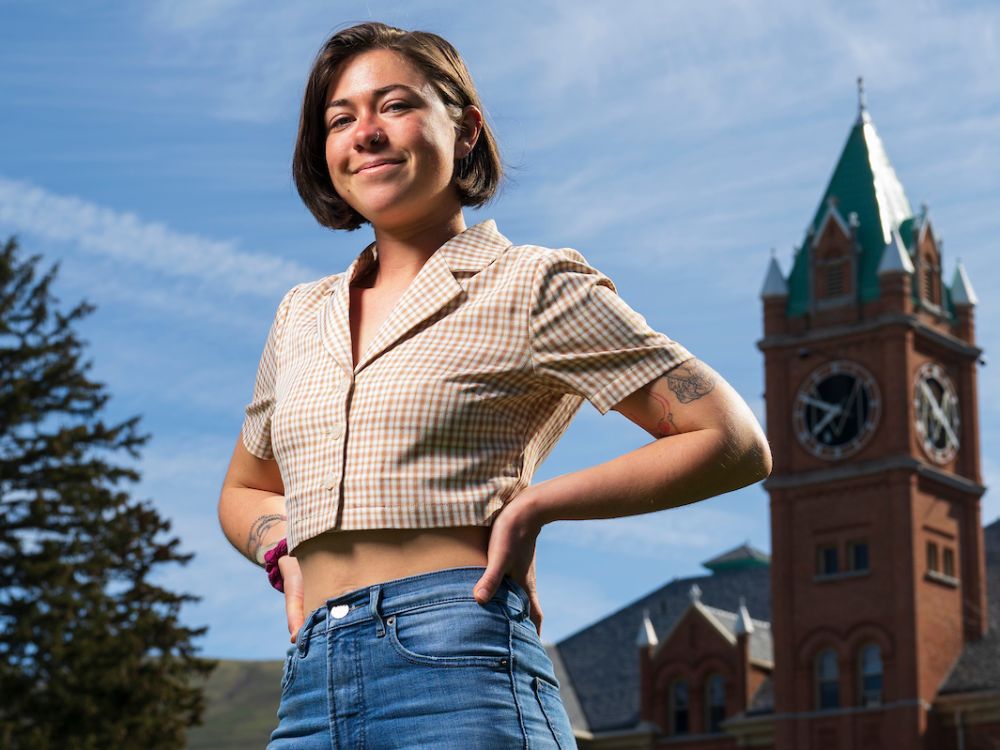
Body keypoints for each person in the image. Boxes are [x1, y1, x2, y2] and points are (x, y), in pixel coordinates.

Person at [218, 21, 771, 750]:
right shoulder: (300, 314)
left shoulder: (532, 284)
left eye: (395, 106)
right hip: (310, 682)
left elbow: (730, 440)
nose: (367, 133)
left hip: (458, 659)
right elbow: (244, 489)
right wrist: (280, 550)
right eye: (340, 118)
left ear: (466, 129)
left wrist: (536, 506)